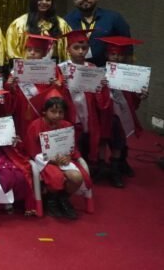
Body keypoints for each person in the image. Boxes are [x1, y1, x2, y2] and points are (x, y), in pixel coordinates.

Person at [25, 88, 91, 220]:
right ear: (44, 111)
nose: (57, 116)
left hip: (63, 159)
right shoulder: (35, 126)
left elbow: (72, 148)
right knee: (56, 177)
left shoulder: (67, 125)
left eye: (61, 112)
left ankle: (63, 199)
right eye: (53, 111)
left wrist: (68, 157)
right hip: (44, 161)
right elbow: (31, 151)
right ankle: (51, 201)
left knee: (77, 178)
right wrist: (51, 160)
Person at [58, 30, 112, 176]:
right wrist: (59, 84)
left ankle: (90, 164)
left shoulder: (93, 68)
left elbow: (101, 98)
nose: (80, 51)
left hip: (88, 110)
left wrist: (102, 86)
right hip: (70, 110)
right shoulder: (61, 69)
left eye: (84, 48)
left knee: (89, 137)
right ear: (68, 49)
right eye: (76, 48)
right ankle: (71, 165)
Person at [99, 36, 148, 182]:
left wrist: (141, 94)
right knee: (102, 138)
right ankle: (101, 166)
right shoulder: (99, 71)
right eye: (113, 54)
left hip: (120, 113)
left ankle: (117, 166)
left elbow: (133, 97)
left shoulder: (130, 74)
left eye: (120, 55)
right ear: (107, 54)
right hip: (104, 112)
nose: (117, 57)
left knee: (120, 139)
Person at [65, 0, 132, 67]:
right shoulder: (66, 21)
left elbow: (128, 47)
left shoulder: (114, 18)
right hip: (76, 69)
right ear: (74, 0)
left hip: (107, 70)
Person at [6, 0, 72, 62]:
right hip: (27, 67)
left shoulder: (61, 24)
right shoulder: (19, 24)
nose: (44, 2)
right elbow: (12, 52)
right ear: (33, 1)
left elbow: (68, 50)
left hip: (54, 67)